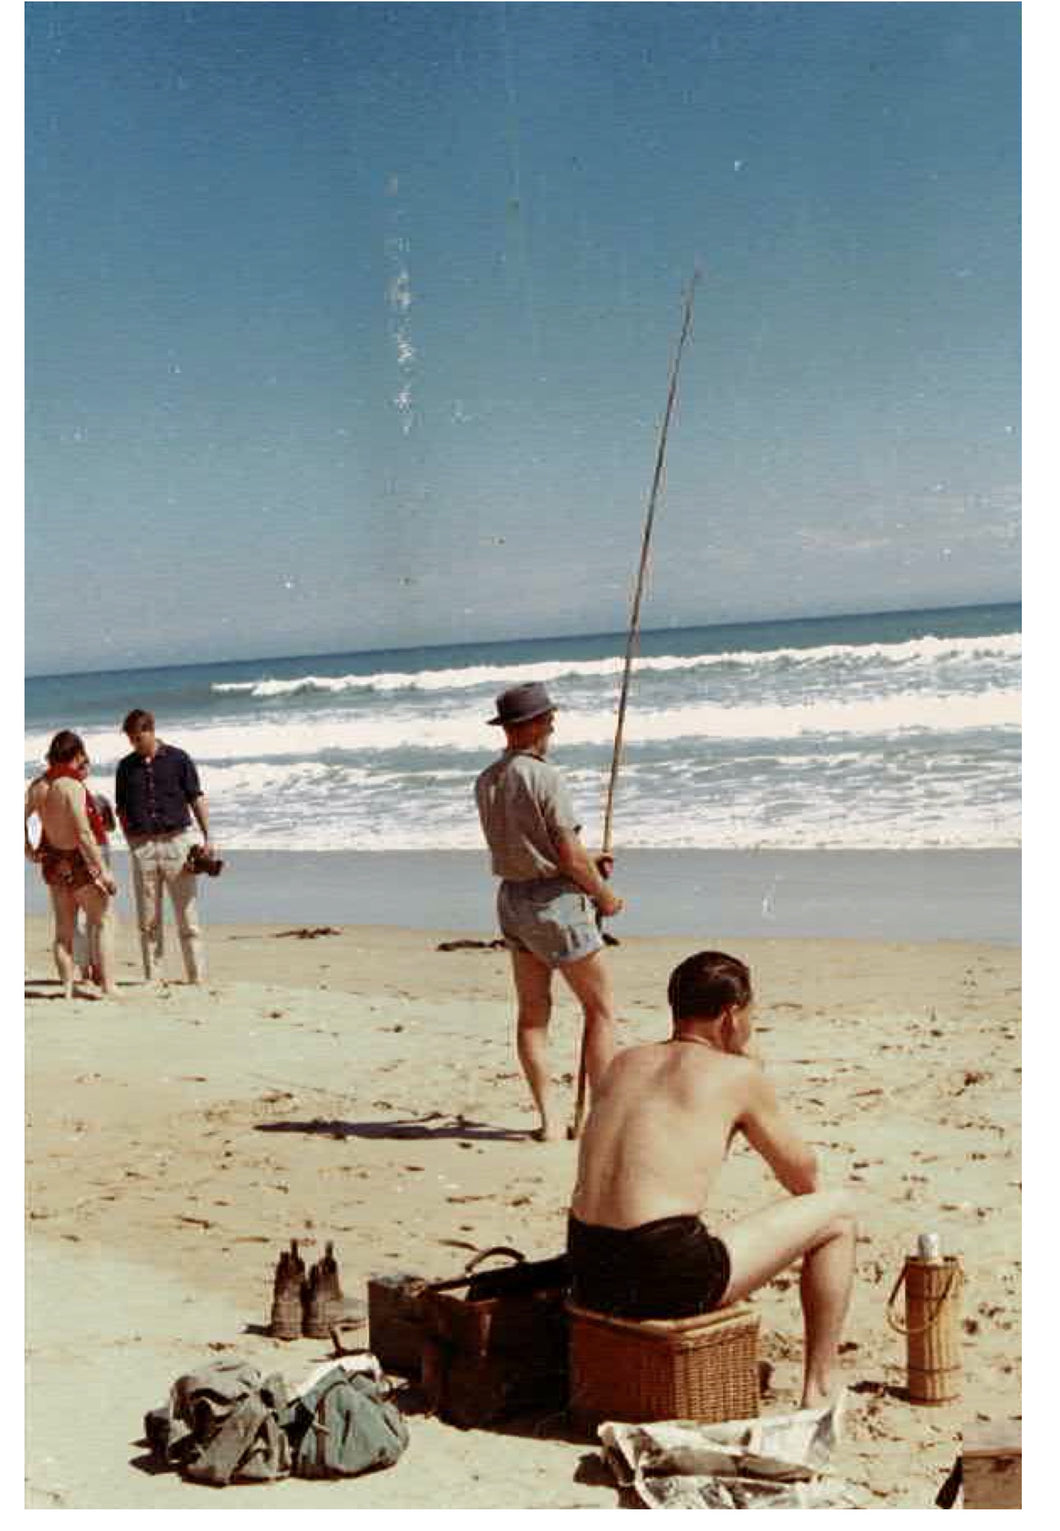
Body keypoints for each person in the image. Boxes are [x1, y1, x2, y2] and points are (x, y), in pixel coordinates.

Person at [567, 950, 857, 1411]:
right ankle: (822, 1386)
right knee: (838, 1213)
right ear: (730, 1015)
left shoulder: (623, 1062)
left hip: (585, 1268)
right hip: (663, 1275)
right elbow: (804, 1178)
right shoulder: (738, 1073)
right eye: (750, 1017)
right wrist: (752, 1073)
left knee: (689, 1229)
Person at [475, 681, 624, 1142]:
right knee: (600, 1010)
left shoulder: (488, 779)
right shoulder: (544, 776)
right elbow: (565, 850)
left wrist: (582, 862)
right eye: (549, 720)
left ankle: (550, 1121)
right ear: (534, 725)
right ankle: (601, 1118)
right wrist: (601, 893)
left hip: (512, 901)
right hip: (554, 904)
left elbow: (530, 844)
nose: (553, 727)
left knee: (533, 1015)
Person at [115, 708, 215, 985]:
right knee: (148, 919)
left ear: (151, 730)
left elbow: (196, 798)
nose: (134, 744)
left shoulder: (179, 759)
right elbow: (121, 810)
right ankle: (153, 978)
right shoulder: (125, 767)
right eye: (131, 739)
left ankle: (197, 978)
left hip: (176, 843)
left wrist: (208, 837)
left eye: (138, 737)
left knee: (187, 916)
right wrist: (132, 843)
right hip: (143, 847)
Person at [25, 730, 119, 998]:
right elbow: (84, 833)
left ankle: (67, 989)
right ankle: (108, 986)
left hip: (53, 862)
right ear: (77, 755)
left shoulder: (38, 786)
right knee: (103, 921)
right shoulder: (72, 786)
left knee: (63, 932)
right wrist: (104, 870)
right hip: (77, 860)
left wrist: (28, 849)